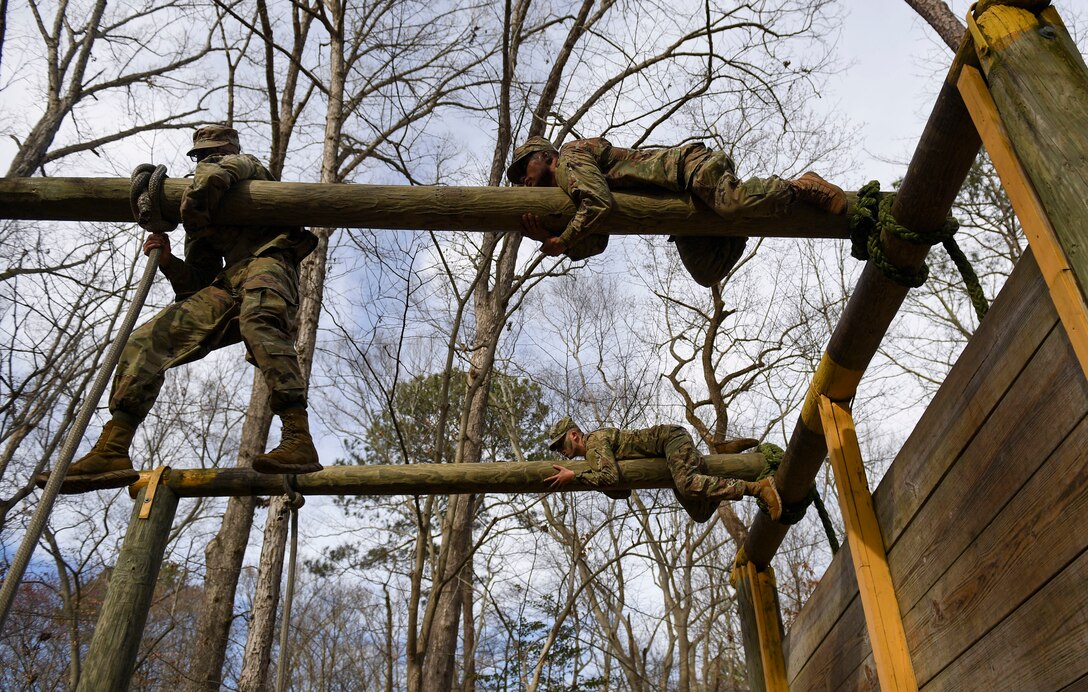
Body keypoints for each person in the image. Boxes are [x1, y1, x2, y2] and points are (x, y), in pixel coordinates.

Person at [37, 125, 321, 493]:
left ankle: (298, 436)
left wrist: (193, 205)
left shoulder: (244, 166)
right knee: (146, 340)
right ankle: (113, 449)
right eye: (203, 154)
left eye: (212, 152)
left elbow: (218, 175)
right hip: (228, 280)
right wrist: (169, 260)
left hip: (269, 260)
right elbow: (198, 282)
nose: (208, 158)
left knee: (259, 322)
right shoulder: (199, 209)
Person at [506, 136, 847, 286]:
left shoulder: (569, 157)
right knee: (706, 272)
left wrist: (563, 240)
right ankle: (739, 223)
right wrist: (552, 241)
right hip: (678, 209)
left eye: (524, 170)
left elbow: (599, 204)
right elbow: (599, 242)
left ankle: (801, 187)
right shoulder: (569, 191)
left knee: (734, 201)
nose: (523, 181)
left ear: (543, 157)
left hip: (684, 169)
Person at [543, 416, 781, 523]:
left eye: (560, 444)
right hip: (666, 457)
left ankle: (758, 489)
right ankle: (722, 454)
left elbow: (611, 477)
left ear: (574, 435)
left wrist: (575, 475)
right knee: (700, 514)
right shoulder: (592, 456)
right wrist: (592, 477)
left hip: (670, 439)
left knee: (687, 484)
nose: (560, 451)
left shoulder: (594, 443)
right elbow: (622, 491)